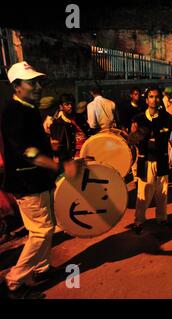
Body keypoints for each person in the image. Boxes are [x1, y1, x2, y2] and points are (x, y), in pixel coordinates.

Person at [0, 62, 80, 299]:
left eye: (38, 81)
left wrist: (50, 146)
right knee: (42, 231)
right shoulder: (14, 112)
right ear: (16, 87)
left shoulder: (28, 108)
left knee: (43, 226)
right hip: (27, 183)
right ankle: (15, 281)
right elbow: (28, 152)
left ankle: (42, 269)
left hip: (37, 181)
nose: (38, 86)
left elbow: (34, 144)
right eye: (31, 82)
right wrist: (59, 165)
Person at [128, 87, 172, 235]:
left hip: (162, 160)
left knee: (162, 192)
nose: (154, 100)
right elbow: (131, 140)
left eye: (157, 97)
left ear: (160, 99)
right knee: (143, 192)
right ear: (147, 100)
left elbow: (171, 139)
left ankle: (161, 218)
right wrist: (135, 134)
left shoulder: (166, 117)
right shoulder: (138, 118)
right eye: (151, 97)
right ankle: (139, 221)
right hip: (145, 160)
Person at [49, 94, 87, 161]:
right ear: (61, 107)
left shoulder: (80, 118)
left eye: (72, 104)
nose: (70, 106)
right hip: (73, 157)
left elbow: (89, 132)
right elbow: (58, 146)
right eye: (67, 104)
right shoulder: (57, 124)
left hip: (87, 152)